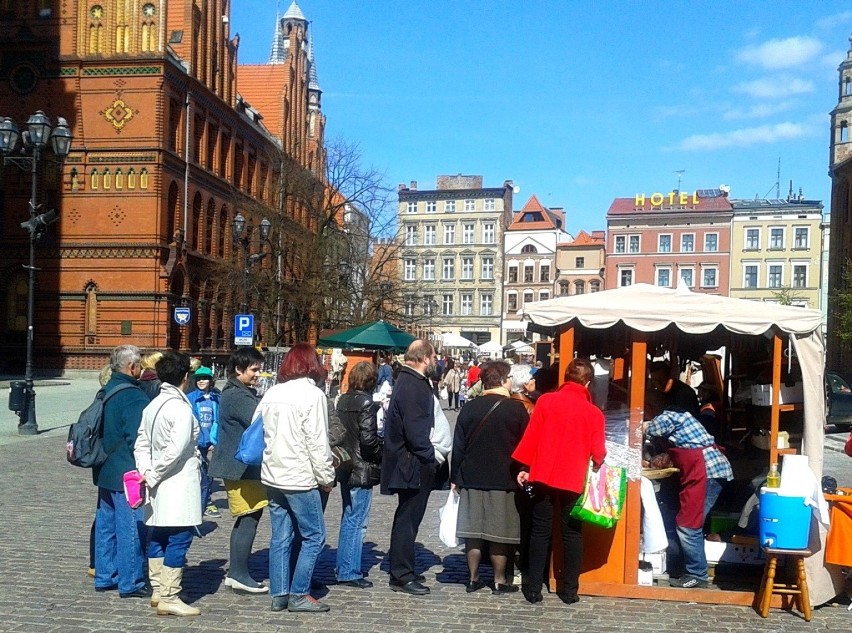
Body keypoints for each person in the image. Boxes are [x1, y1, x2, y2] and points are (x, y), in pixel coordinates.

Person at [512, 358, 606, 605]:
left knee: (540, 531)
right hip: (573, 478)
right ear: (588, 382)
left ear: (566, 377)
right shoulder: (593, 412)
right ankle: (570, 590)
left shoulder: (546, 401)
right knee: (572, 533)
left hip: (543, 474)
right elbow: (599, 453)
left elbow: (531, 437)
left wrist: (525, 467)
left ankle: (533, 588)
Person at [260, 343, 336, 613]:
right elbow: (317, 441)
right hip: (298, 475)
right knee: (314, 535)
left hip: (272, 473)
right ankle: (299, 592)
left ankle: (279, 592)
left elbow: (260, 429)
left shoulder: (272, 393)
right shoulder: (312, 395)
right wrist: (327, 476)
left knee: (280, 536)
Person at [451, 361, 529, 595]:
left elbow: (459, 447)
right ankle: (498, 581)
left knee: (472, 533)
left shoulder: (469, 407)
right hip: (504, 478)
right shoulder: (516, 409)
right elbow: (526, 445)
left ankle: (473, 579)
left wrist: (455, 477)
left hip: (472, 477)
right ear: (504, 380)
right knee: (499, 533)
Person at [134, 352, 202, 616]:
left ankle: (158, 589)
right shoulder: (181, 408)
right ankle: (170, 595)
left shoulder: (153, 404)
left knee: (159, 535)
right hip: (177, 481)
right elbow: (175, 450)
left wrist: (146, 470)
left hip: (158, 481)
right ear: (186, 377)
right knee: (179, 536)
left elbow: (141, 443)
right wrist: (154, 473)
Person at [643, 404, 733, 589]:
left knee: (688, 525)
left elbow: (655, 427)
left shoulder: (672, 416)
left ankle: (697, 575)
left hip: (707, 472)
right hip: (704, 472)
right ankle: (689, 569)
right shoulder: (678, 429)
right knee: (687, 523)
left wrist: (642, 427)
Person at [207, 347, 269, 594]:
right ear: (238, 369)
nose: (258, 374)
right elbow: (261, 421)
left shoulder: (238, 392)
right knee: (248, 519)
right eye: (254, 370)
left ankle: (238, 572)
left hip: (242, 467)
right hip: (240, 468)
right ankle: (239, 573)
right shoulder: (237, 396)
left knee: (248, 518)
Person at [93, 344, 152, 598]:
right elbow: (138, 437)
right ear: (132, 366)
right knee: (130, 526)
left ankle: (106, 575)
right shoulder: (134, 396)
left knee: (106, 525)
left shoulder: (106, 389)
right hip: (127, 471)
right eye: (139, 364)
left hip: (104, 468)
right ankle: (131, 581)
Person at [381, 339, 438, 596]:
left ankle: (403, 571)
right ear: (425, 358)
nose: (435, 361)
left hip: (409, 460)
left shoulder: (409, 381)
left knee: (408, 518)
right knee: (407, 519)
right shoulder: (413, 384)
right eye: (433, 356)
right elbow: (415, 431)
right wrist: (430, 456)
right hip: (411, 463)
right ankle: (401, 575)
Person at [335, 361, 383, 589]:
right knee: (357, 521)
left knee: (348, 516)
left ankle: (343, 565)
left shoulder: (343, 399)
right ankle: (348, 570)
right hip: (362, 466)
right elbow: (368, 440)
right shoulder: (366, 403)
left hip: (345, 463)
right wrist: (381, 452)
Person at [187, 366, 221, 518]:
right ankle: (199, 505)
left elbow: (218, 420)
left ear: (210, 381)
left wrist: (215, 440)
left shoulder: (216, 398)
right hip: (196, 442)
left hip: (211, 441)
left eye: (205, 378)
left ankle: (206, 502)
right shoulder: (191, 398)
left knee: (209, 475)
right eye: (199, 378)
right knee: (199, 475)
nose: (201, 381)